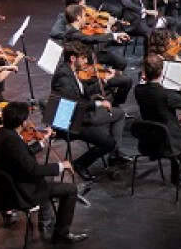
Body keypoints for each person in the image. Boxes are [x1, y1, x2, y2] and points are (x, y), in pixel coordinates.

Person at [0, 101, 85, 244]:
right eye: (27, 119)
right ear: (22, 122)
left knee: (48, 179)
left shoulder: (2, 134)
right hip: (20, 192)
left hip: (7, 185)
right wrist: (61, 165)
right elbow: (33, 170)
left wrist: (42, 142)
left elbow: (21, 156)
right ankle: (62, 233)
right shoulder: (13, 141)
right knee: (71, 189)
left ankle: (45, 221)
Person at [49, 43, 125, 181]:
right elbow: (75, 103)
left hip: (78, 115)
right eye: (83, 58)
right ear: (73, 58)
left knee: (119, 114)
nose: (86, 61)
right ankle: (81, 164)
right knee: (108, 143)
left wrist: (104, 80)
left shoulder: (71, 71)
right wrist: (98, 103)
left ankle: (114, 154)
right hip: (68, 122)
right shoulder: (63, 77)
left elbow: (84, 92)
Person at [134, 52, 181, 187]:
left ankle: (177, 170)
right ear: (162, 72)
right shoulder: (166, 94)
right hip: (168, 143)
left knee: (171, 124)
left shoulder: (138, 90)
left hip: (148, 141)